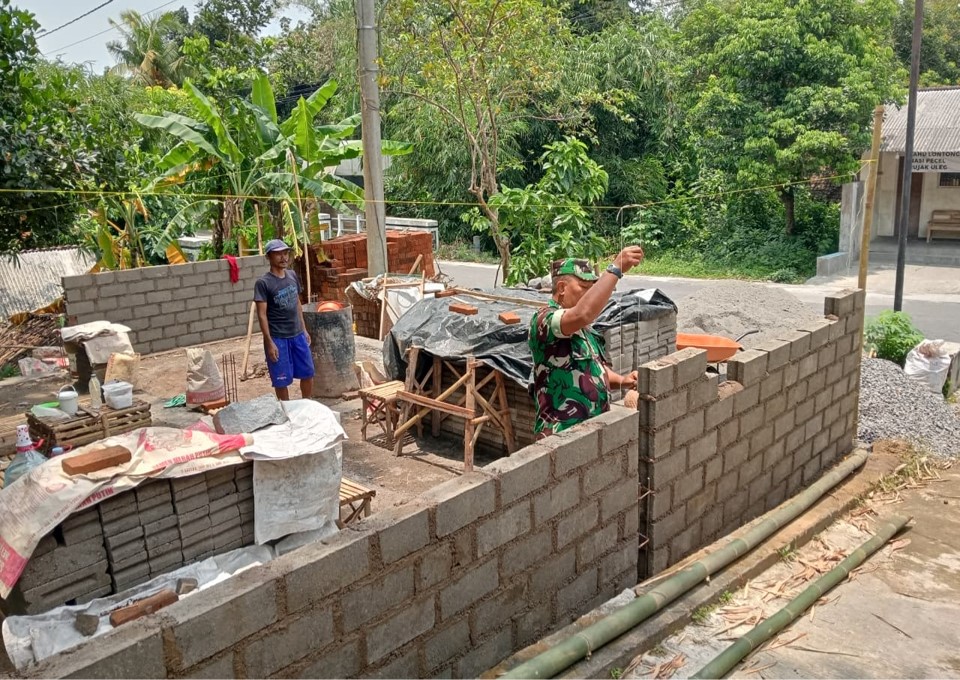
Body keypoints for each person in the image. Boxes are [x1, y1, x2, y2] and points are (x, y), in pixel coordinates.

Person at [528, 247, 646, 439]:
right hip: (561, 436)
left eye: (592, 288)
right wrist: (616, 268)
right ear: (562, 288)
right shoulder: (544, 320)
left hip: (591, 436)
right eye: (584, 287)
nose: (589, 293)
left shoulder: (584, 330)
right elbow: (583, 313)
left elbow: (593, 369)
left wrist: (623, 381)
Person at [254, 239, 315, 401]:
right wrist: (269, 342)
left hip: (297, 335)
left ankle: (307, 404)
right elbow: (261, 315)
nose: (284, 257)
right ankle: (286, 410)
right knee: (281, 380)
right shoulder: (263, 283)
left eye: (286, 253)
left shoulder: (292, 275)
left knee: (308, 372)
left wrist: (304, 329)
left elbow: (297, 303)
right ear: (269, 257)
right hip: (278, 338)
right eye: (279, 254)